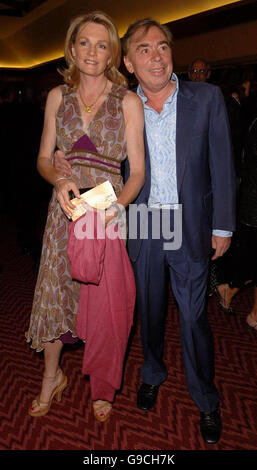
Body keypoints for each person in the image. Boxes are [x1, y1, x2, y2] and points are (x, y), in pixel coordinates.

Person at [55, 18, 236, 444]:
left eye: (162, 46)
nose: (156, 56)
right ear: (130, 63)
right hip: (143, 222)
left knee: (193, 318)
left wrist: (223, 225)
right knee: (149, 314)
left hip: (188, 222)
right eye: (144, 49)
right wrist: (64, 166)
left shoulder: (206, 97)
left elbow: (224, 165)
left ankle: (206, 399)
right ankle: (152, 372)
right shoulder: (120, 105)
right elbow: (96, 157)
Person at [25, 11, 145, 422]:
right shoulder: (58, 96)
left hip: (108, 213)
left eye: (101, 43)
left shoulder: (127, 100)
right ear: (72, 49)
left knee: (105, 304)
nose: (92, 51)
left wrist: (117, 210)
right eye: (84, 43)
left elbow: (139, 171)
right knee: (57, 294)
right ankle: (51, 377)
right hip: (65, 211)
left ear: (111, 51)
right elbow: (43, 158)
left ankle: (103, 387)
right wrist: (57, 181)